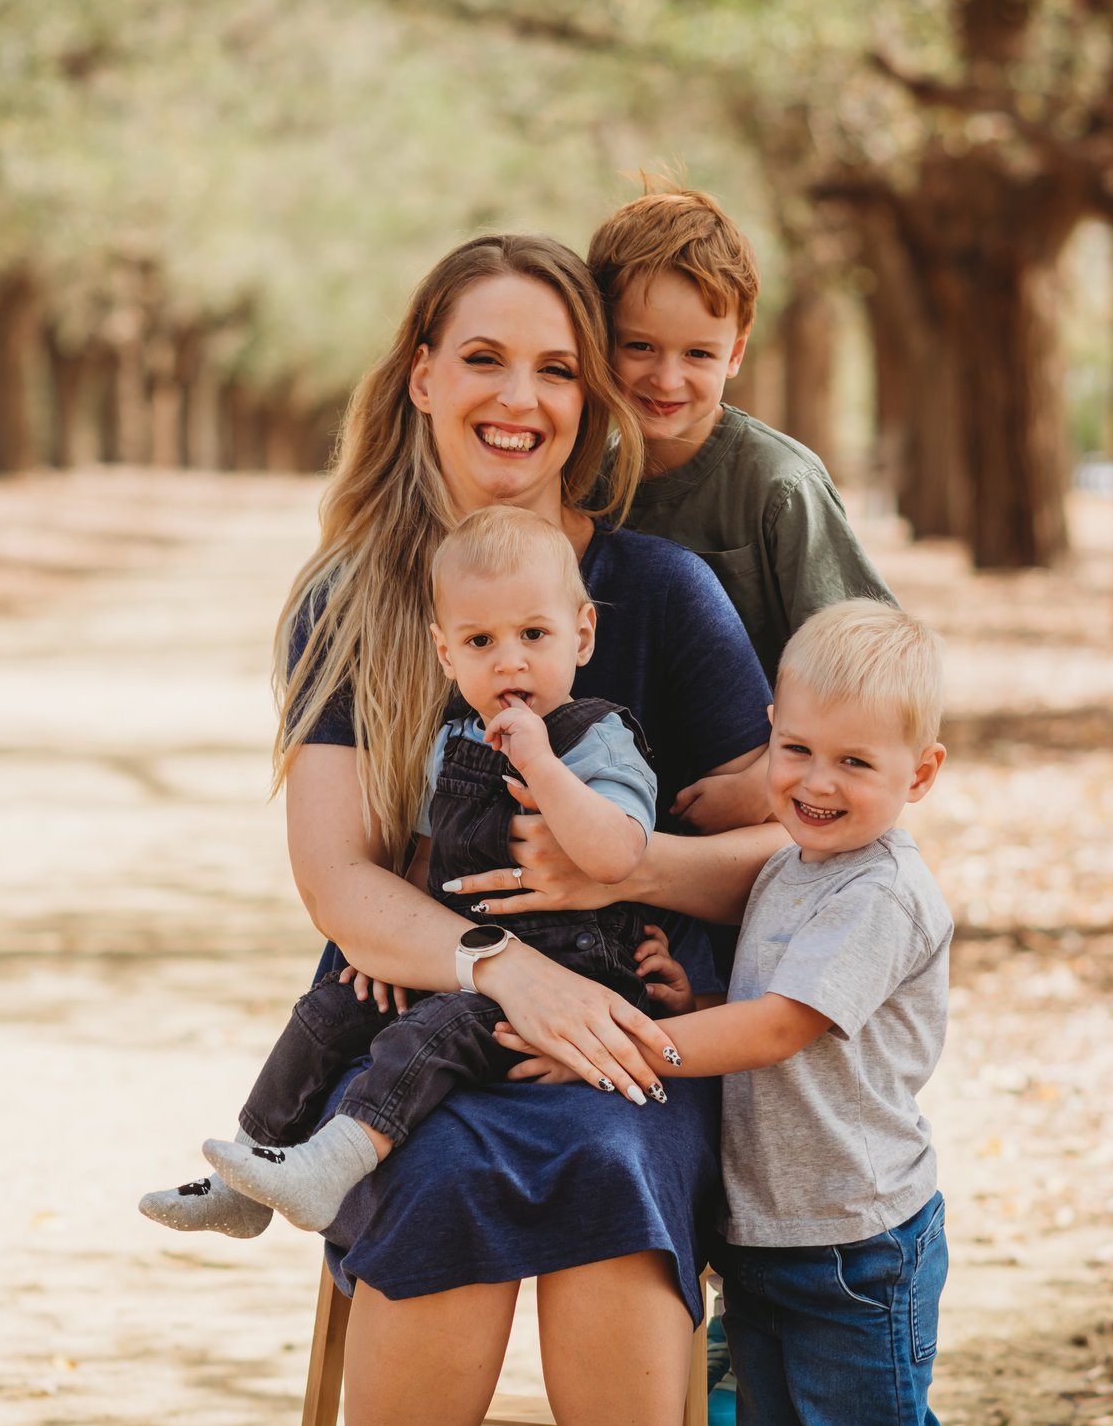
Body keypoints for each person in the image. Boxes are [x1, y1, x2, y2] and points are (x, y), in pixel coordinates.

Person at [176, 234, 785, 1426]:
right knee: (437, 1168)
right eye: (485, 358)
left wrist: (632, 864)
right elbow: (335, 875)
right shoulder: (348, 600)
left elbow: (797, 845)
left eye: (557, 369)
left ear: (588, 397)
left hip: (625, 1037)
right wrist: (504, 969)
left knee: (611, 1164)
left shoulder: (656, 590)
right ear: (421, 375)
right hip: (417, 1022)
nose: (520, 397)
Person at [137, 506, 668, 1236]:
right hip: (473, 961)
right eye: (482, 641)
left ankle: (333, 1165)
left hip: (572, 971)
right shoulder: (451, 740)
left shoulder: (596, 741)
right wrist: (397, 953)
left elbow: (617, 855)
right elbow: (426, 860)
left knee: (433, 1031)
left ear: (582, 633)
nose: (510, 661)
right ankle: (253, 1171)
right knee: (332, 1006)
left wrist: (542, 764)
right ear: (446, 654)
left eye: (534, 636)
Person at [498, 600, 955, 1426]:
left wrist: (623, 1046)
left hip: (855, 1241)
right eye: (798, 749)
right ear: (772, 729)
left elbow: (781, 1028)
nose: (817, 782)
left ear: (919, 774)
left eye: (855, 761)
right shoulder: (793, 865)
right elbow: (764, 1017)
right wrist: (698, 1000)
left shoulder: (881, 892)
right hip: (770, 1232)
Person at [585, 187, 896, 838]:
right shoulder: (583, 485)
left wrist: (772, 780)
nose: (667, 379)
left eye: (698, 353)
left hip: (759, 828)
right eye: (639, 346)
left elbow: (871, 670)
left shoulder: (778, 486)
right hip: (620, 818)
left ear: (736, 351)